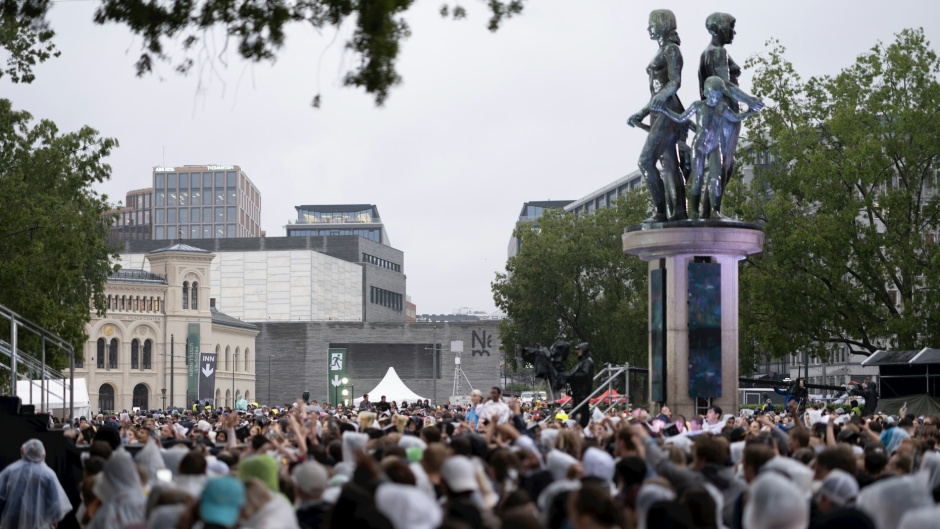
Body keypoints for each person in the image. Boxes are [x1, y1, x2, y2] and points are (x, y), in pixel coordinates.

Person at [652, 75, 761, 220]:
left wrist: (750, 111)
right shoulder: (698, 106)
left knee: (716, 178)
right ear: (706, 93)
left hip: (714, 146)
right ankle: (695, 211)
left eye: (718, 96)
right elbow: (680, 118)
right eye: (713, 96)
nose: (715, 99)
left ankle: (715, 211)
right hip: (699, 147)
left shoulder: (722, 107)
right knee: (698, 179)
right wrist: (664, 110)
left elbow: (735, 117)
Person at [697, 12, 764, 214]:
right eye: (730, 27)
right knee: (724, 164)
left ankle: (709, 212)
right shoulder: (717, 52)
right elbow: (725, 85)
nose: (733, 32)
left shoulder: (708, 53)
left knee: (723, 164)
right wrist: (750, 100)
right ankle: (712, 212)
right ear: (719, 28)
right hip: (725, 112)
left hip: (718, 112)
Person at [628, 9, 687, 222]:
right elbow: (656, 94)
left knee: (645, 161)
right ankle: (678, 211)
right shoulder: (663, 50)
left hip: (668, 111)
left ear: (662, 24)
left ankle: (661, 212)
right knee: (670, 162)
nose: (648, 28)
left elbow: (675, 82)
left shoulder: (671, 50)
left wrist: (658, 100)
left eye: (651, 23)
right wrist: (642, 113)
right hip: (659, 110)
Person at [0, 439, 72, 529]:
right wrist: (54, 521)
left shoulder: (10, 470)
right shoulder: (48, 474)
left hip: (12, 520)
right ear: (42, 453)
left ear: (23, 451)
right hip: (39, 521)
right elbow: (56, 503)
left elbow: (1, 497)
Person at [564, 343, 596, 428]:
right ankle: (578, 427)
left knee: (582, 412)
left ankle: (582, 427)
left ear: (584, 350)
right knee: (577, 412)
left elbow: (585, 375)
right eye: (577, 349)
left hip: (582, 392)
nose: (577, 351)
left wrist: (571, 375)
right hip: (577, 392)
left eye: (579, 349)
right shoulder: (582, 362)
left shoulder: (587, 362)